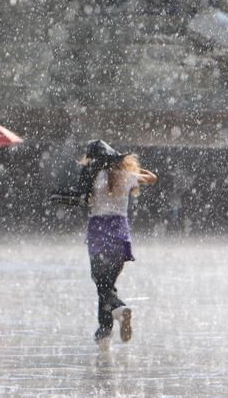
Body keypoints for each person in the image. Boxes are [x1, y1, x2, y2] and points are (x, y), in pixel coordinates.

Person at [82, 140, 157, 348]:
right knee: (107, 284)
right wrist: (131, 169)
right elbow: (152, 178)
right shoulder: (127, 177)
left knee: (101, 283)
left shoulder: (92, 178)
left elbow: (79, 197)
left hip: (98, 232)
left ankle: (117, 311)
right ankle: (104, 332)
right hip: (119, 234)